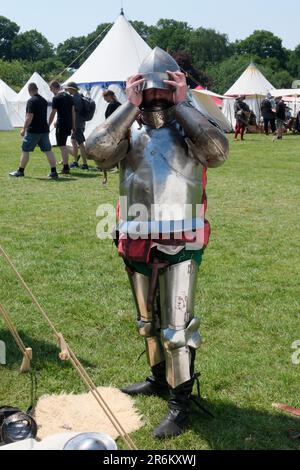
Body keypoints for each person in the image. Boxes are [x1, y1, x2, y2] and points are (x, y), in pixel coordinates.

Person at [86, 47, 229, 439]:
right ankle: (157, 379)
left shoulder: (191, 127)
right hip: (135, 238)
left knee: (175, 331)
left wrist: (184, 103)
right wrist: (128, 107)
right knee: (147, 324)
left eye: (162, 89)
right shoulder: (127, 131)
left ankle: (180, 404)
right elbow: (95, 152)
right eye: (148, 90)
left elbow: (217, 153)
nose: (155, 95)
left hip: (180, 240)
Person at [9, 82, 58, 179]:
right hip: (44, 129)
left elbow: (29, 116)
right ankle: (54, 172)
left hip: (33, 130)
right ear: (37, 89)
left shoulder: (31, 101)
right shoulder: (43, 100)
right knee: (48, 150)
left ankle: (20, 171)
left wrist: (24, 128)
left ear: (29, 90)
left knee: (25, 149)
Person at [49, 80, 76, 175]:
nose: (51, 91)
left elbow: (53, 113)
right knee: (63, 144)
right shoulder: (69, 96)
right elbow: (73, 112)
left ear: (53, 88)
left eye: (51, 89)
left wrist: (48, 124)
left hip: (62, 124)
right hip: (68, 124)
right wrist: (73, 125)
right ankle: (66, 165)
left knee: (62, 146)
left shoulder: (56, 97)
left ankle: (65, 167)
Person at [64, 82, 89, 170]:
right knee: (74, 142)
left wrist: (73, 125)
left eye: (68, 89)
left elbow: (74, 112)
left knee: (80, 144)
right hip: (79, 123)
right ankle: (75, 162)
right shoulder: (78, 96)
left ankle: (85, 164)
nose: (67, 90)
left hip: (77, 125)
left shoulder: (75, 98)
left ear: (72, 89)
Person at [102, 89, 122, 184]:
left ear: (109, 96)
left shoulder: (112, 105)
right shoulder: (119, 104)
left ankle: (117, 166)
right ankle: (118, 167)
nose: (104, 99)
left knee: (114, 149)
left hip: (112, 130)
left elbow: (109, 119)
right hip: (119, 129)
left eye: (105, 97)